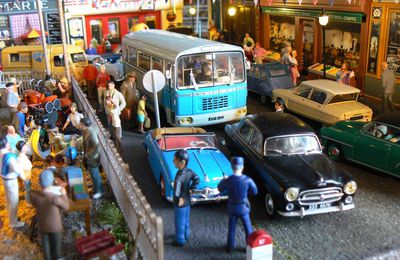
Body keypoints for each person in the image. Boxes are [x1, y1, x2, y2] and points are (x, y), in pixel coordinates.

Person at [217, 157, 258, 253]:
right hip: (243, 207)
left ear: (232, 167)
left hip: (232, 207)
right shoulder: (248, 180)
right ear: (242, 167)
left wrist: (224, 180)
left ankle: (230, 247)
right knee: (248, 228)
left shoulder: (228, 180)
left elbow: (219, 188)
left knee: (231, 228)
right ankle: (249, 248)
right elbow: (255, 191)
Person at [30, 169, 70, 260]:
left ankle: (47, 257)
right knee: (56, 244)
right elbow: (67, 207)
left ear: (40, 182)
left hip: (42, 226)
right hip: (55, 227)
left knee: (45, 245)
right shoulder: (55, 199)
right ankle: (57, 257)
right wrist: (64, 194)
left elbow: (31, 195)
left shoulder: (35, 197)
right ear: (52, 181)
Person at [172, 149, 200, 247]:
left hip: (180, 203)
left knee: (179, 221)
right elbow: (197, 179)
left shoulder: (179, 177)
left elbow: (177, 192)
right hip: (188, 200)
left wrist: (177, 196)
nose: (173, 161)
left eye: (175, 160)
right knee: (186, 219)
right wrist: (191, 190)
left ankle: (180, 240)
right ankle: (186, 234)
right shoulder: (190, 172)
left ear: (182, 162)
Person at [0, 136, 26, 228]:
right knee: (14, 200)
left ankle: (10, 215)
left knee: (8, 199)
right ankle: (13, 222)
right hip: (11, 180)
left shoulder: (1, 154)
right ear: (6, 144)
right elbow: (17, 169)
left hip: (4, 179)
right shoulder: (10, 156)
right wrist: (23, 176)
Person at [80, 117, 103, 199]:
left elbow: (96, 146)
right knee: (93, 175)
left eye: (81, 125)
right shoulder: (86, 131)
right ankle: (96, 188)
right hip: (89, 156)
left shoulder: (92, 133)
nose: (80, 126)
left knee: (95, 175)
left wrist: (87, 155)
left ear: (86, 125)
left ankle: (99, 191)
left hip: (93, 157)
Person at [105, 81, 126, 153]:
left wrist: (118, 110)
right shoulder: (106, 92)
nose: (109, 87)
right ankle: (115, 143)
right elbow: (105, 101)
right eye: (108, 86)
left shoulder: (118, 94)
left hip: (115, 111)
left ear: (114, 86)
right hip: (110, 112)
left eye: (110, 86)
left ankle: (119, 145)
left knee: (117, 132)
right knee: (111, 127)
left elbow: (123, 103)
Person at [16, 141, 32, 205]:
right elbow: (19, 169)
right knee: (28, 190)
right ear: (22, 148)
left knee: (28, 188)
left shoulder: (23, 155)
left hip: (27, 174)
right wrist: (23, 177)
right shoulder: (21, 157)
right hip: (26, 175)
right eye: (25, 146)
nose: (27, 147)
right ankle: (29, 203)